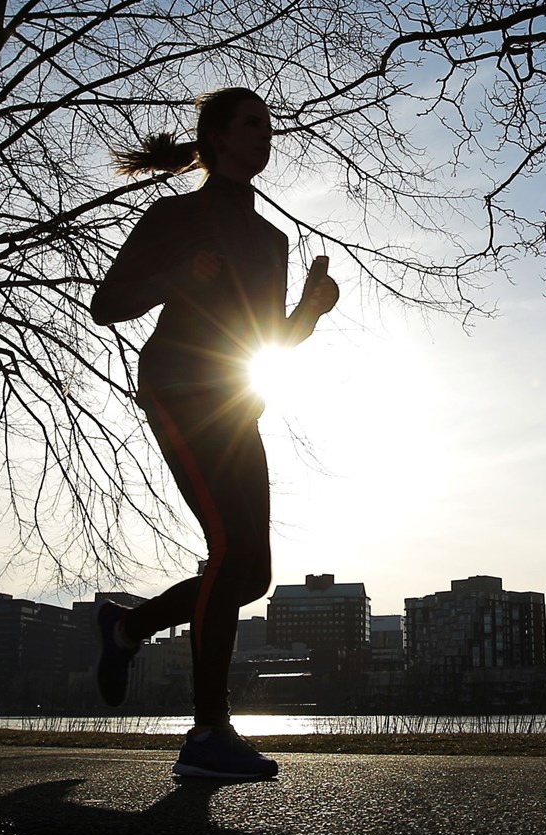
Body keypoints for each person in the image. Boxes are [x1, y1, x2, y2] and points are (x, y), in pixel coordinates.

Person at [88, 87, 339, 781]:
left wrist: (310, 311)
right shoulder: (177, 215)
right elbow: (107, 305)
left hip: (236, 403)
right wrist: (178, 274)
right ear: (218, 137)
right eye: (253, 124)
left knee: (249, 572)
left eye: (270, 126)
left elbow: (270, 340)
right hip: (177, 388)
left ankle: (126, 627)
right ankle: (206, 736)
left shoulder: (270, 240)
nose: (267, 135)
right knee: (227, 551)